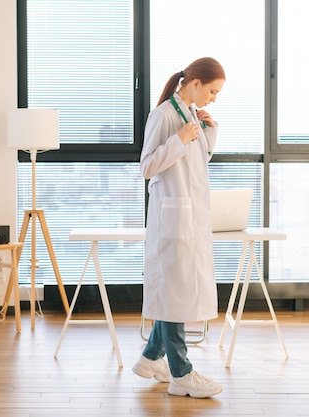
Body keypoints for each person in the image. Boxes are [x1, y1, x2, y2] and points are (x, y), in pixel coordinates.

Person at [132, 57, 226, 398]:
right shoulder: (164, 115)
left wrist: (207, 132)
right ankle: (182, 373)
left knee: (178, 291)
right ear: (196, 83)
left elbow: (194, 166)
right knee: (174, 293)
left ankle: (150, 358)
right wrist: (179, 139)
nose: (213, 98)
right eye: (212, 91)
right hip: (171, 219)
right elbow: (147, 166)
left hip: (189, 216)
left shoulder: (189, 115)